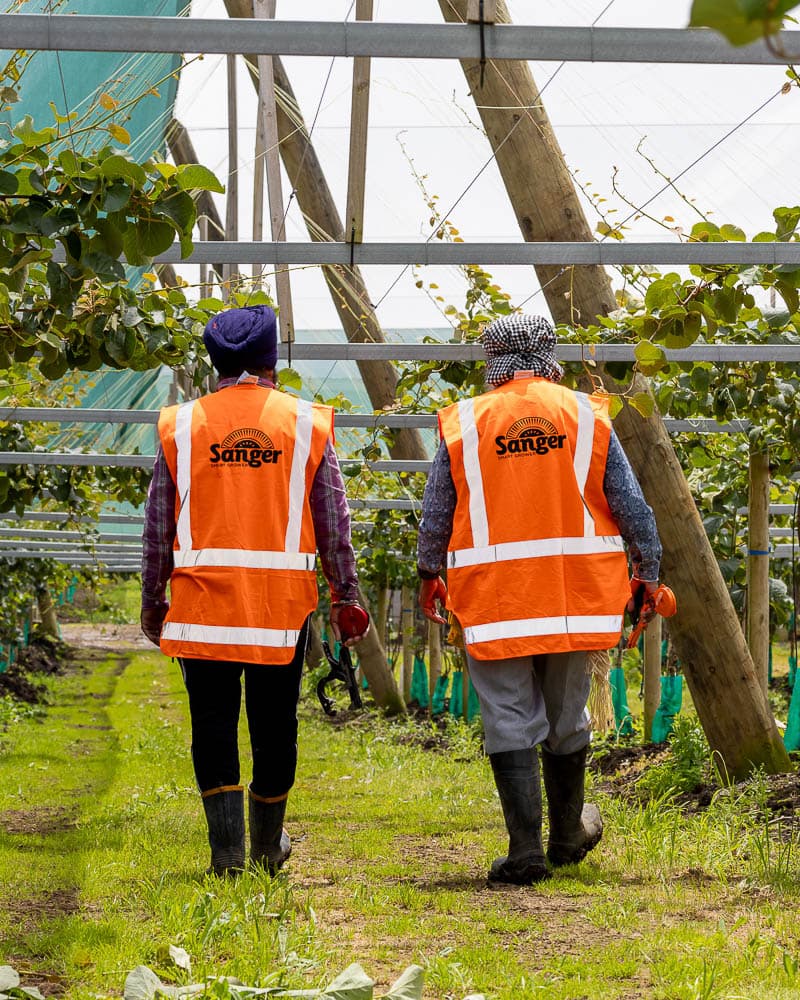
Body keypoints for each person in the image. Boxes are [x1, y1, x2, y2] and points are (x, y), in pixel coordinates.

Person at [416, 314, 662, 887]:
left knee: (507, 715)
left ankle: (526, 848)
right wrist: (647, 570)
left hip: (495, 598)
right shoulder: (585, 414)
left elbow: (436, 514)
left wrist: (430, 572)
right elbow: (629, 503)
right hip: (573, 596)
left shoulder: (467, 422)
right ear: (548, 351)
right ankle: (569, 835)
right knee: (567, 712)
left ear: (493, 357)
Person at [140, 305, 369, 877]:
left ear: (214, 359)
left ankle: (228, 855)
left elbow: (157, 525)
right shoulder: (304, 423)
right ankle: (267, 848)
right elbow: (333, 521)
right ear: (272, 360)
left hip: (202, 609)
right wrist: (347, 596)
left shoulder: (183, 424)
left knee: (212, 727)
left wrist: (152, 602)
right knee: (275, 728)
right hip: (278, 611)